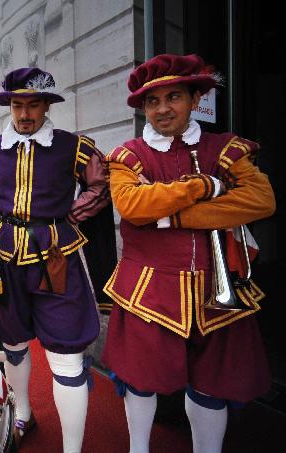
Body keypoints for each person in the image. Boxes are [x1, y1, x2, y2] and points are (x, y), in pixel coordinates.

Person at [102, 54, 276, 453]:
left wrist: (175, 217)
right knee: (140, 379)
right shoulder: (127, 155)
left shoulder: (226, 147)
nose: (162, 109)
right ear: (144, 108)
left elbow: (261, 200)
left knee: (213, 383)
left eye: (174, 97)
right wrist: (203, 186)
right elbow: (132, 206)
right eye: (152, 102)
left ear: (194, 98)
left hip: (219, 287)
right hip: (147, 290)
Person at [0, 67, 111, 452]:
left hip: (56, 258)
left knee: (67, 353)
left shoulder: (75, 147)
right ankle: (23, 412)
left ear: (47, 105)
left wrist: (73, 215)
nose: (24, 114)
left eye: (33, 104)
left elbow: (102, 185)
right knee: (13, 341)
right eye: (17, 105)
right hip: (3, 256)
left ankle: (72, 448)